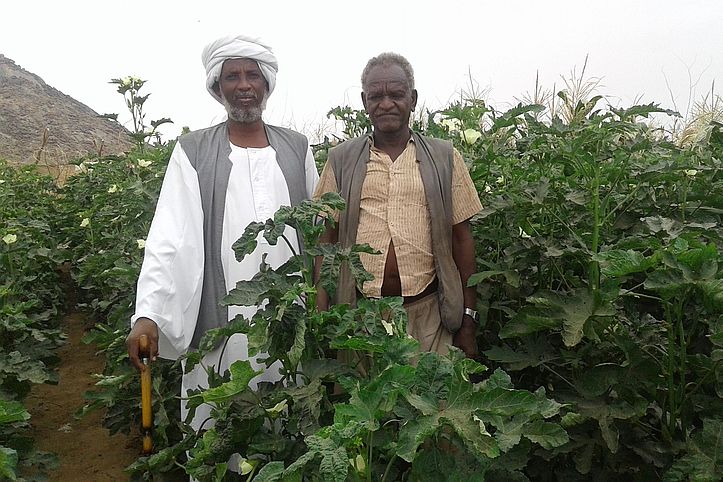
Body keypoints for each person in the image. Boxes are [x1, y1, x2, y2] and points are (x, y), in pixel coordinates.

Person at [126, 35, 319, 434]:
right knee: (220, 427)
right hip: (221, 322)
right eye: (232, 76)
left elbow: (317, 233)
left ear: (267, 84)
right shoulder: (193, 151)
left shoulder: (297, 148)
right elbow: (170, 239)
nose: (244, 85)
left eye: (253, 75)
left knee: (287, 425)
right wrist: (148, 316)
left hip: (290, 316)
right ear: (217, 87)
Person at [314, 52, 481, 358]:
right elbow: (328, 241)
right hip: (360, 320)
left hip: (429, 315)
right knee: (364, 405)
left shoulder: (444, 158)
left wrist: (468, 320)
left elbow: (462, 239)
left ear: (413, 99)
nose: (386, 103)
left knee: (432, 403)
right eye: (376, 96)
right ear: (365, 102)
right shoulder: (341, 160)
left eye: (396, 94)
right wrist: (322, 317)